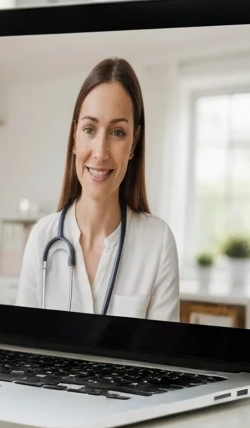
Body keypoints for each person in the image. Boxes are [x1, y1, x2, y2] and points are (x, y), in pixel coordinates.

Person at [15, 57, 181, 321]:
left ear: (134, 143)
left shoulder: (158, 243)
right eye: (90, 129)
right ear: (74, 137)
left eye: (117, 132)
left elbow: (160, 359)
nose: (100, 153)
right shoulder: (41, 238)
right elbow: (23, 350)